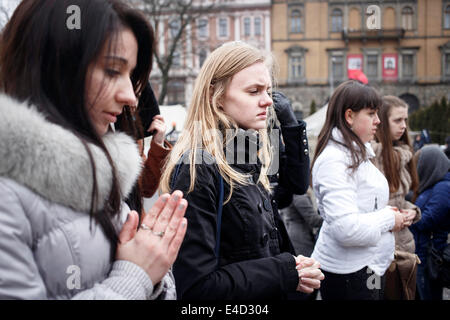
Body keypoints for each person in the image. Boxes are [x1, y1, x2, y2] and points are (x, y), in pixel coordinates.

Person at [0, 0, 187, 299]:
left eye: (131, 75)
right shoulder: (8, 199)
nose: (131, 98)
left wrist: (152, 275)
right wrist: (135, 276)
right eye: (113, 70)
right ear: (52, 65)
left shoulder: (101, 172)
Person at [159, 41, 324, 300]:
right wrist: (284, 271)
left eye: (268, 90)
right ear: (217, 96)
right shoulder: (198, 170)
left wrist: (297, 271)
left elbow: (294, 187)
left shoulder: (248, 155)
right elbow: (196, 291)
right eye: (254, 91)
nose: (268, 101)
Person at [310, 80, 406, 300]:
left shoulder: (353, 153)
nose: (378, 121)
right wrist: (388, 219)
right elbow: (346, 229)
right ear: (349, 116)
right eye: (371, 113)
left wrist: (389, 215)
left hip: (365, 268)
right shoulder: (335, 160)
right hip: (350, 274)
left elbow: (362, 207)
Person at [371, 95, 421, 300]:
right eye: (397, 120)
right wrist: (395, 216)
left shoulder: (403, 153)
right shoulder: (373, 157)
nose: (404, 126)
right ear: (382, 121)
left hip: (404, 246)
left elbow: (400, 198)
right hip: (383, 249)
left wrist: (413, 210)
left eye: (406, 120)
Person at [410, 145, 450, 300]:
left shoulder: (443, 188)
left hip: (429, 256)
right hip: (424, 253)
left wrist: (408, 216)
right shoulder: (437, 185)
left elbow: (428, 219)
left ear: (430, 166)